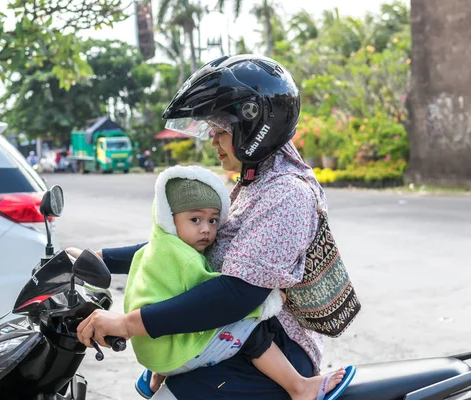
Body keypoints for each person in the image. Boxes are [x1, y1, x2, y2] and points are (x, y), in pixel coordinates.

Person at [71, 54, 358, 400]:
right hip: (233, 337)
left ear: (255, 128)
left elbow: (236, 296)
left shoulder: (287, 194)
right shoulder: (254, 185)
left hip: (274, 347)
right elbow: (181, 247)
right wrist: (96, 259)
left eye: (221, 130)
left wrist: (127, 323)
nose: (213, 141)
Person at [124, 164, 346, 399]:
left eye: (212, 221)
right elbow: (225, 298)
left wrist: (100, 257)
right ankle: (299, 387)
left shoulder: (158, 248)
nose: (206, 230)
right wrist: (268, 301)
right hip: (172, 349)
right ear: (170, 219)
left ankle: (157, 376)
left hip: (155, 349)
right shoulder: (187, 259)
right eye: (196, 219)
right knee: (250, 325)